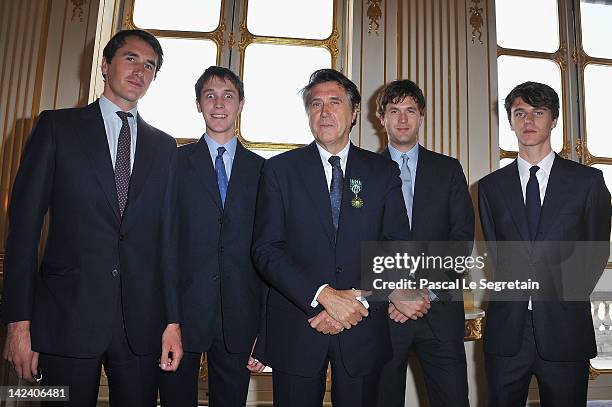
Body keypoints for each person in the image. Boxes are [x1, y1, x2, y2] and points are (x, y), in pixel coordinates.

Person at [2, 29, 182, 406]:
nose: (140, 71)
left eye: (150, 66)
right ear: (104, 65)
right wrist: (19, 324)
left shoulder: (165, 147)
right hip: (66, 320)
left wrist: (172, 321)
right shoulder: (56, 127)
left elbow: (167, 242)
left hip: (141, 329)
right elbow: (23, 232)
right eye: (131, 58)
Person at [251, 68, 411, 407]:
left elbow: (395, 247)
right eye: (315, 104)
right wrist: (323, 296)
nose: (324, 112)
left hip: (362, 325)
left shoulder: (382, 172)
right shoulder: (280, 170)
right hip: (298, 325)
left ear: (354, 113)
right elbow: (267, 250)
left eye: (334, 102)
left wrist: (357, 301)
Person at [478, 81, 611, 406]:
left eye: (538, 112)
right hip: (507, 331)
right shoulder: (490, 187)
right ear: (509, 121)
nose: (528, 121)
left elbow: (595, 250)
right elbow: (496, 253)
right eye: (519, 113)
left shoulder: (587, 182)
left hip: (565, 329)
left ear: (553, 120)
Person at [159, 66, 266, 407]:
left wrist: (264, 329)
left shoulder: (264, 170)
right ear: (198, 104)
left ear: (241, 104)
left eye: (228, 96)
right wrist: (168, 317)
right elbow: (164, 244)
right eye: (210, 96)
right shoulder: (174, 163)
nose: (219, 104)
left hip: (240, 316)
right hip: (182, 313)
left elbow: (267, 252)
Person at [376, 79, 474, 407]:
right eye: (394, 111)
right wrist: (397, 294)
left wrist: (422, 294)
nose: (402, 119)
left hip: (440, 311)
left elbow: (461, 239)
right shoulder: (362, 172)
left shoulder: (448, 170)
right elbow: (356, 243)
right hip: (383, 313)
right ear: (381, 118)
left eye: (410, 111)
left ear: (422, 117)